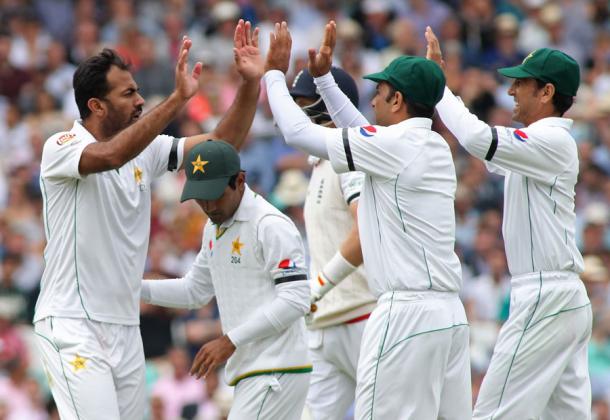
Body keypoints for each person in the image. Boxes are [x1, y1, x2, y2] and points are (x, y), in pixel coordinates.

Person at [32, 20, 262, 420]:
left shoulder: (146, 150)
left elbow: (222, 149)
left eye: (138, 90)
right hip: (72, 325)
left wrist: (250, 85)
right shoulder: (62, 147)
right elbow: (110, 157)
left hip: (124, 325)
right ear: (96, 106)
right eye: (129, 93)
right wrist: (177, 100)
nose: (139, 100)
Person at [263, 21, 471, 419]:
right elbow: (359, 130)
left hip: (404, 313)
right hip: (449, 316)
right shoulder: (431, 145)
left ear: (398, 101)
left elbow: (296, 132)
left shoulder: (393, 146)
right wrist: (324, 79)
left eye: (379, 92)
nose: (372, 101)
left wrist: (272, 73)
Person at [426, 27, 592, 419]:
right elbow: (486, 151)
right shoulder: (535, 143)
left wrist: (440, 88)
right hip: (559, 295)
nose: (511, 91)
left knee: (492, 413)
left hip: (545, 294)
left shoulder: (551, 140)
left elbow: (478, 139)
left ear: (547, 92)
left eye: (521, 83)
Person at [141, 140, 311, 419]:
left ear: (240, 181)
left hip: (276, 369)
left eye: (214, 194)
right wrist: (136, 289)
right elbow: (194, 291)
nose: (207, 206)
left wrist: (230, 340)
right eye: (200, 196)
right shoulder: (214, 228)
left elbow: (296, 299)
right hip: (255, 370)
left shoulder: (270, 225)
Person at [289, 67, 377, 420]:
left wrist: (318, 287)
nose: (297, 113)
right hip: (325, 324)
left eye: (305, 103)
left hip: (364, 315)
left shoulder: (351, 160)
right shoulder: (320, 164)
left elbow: (364, 229)